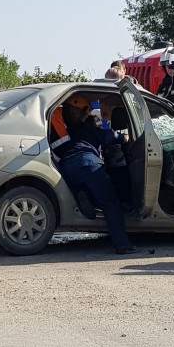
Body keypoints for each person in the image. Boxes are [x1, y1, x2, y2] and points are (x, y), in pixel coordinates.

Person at [56, 93, 137, 254]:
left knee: (93, 191)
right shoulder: (88, 128)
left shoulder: (67, 129)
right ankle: (123, 245)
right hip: (87, 163)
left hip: (67, 167)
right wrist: (126, 137)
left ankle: (84, 193)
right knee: (111, 203)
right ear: (85, 111)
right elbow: (109, 137)